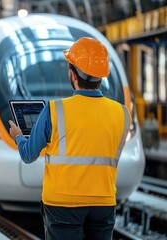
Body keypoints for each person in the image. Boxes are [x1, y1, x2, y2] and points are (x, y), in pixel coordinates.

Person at [8, 37, 131, 240]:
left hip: (63, 204)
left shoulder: (55, 110)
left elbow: (28, 154)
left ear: (73, 74)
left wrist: (19, 137)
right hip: (104, 201)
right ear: (102, 76)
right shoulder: (122, 113)